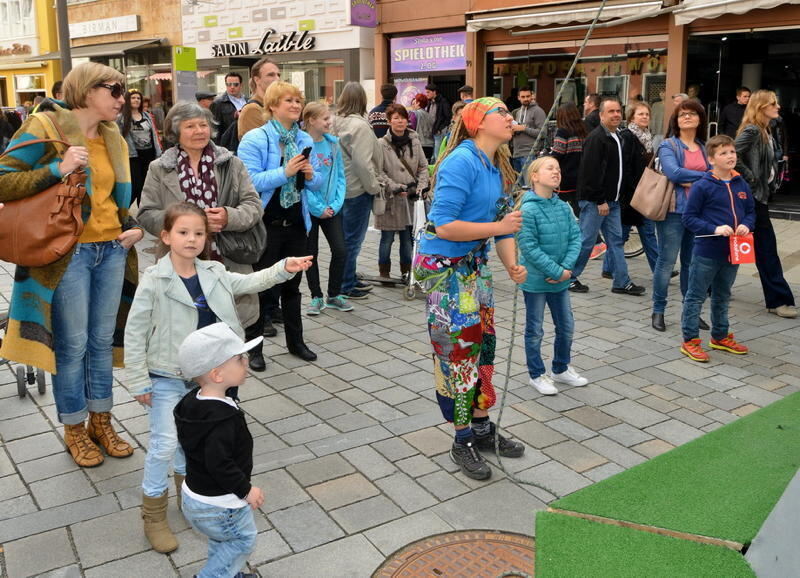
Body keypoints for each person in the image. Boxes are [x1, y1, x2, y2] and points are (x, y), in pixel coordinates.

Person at [125, 203, 311, 553]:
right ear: (166, 237)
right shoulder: (154, 279)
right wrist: (138, 379)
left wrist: (284, 268)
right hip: (166, 374)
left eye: (198, 233)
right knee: (164, 443)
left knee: (189, 439)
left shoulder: (213, 270)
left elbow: (252, 280)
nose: (191, 239)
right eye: (182, 232)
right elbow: (134, 331)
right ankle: (153, 515)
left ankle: (186, 496)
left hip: (207, 378)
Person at [0, 62, 143, 467]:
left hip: (112, 250)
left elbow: (112, 200)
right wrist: (55, 169)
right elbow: (2, 178)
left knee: (102, 341)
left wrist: (130, 225)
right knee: (73, 344)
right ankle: (74, 428)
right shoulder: (44, 127)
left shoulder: (113, 136)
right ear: (87, 90)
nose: (122, 100)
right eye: (115, 91)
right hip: (68, 255)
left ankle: (102, 420)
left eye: (123, 91)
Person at [415, 97, 527, 481]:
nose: (511, 118)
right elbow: (444, 225)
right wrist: (500, 230)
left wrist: (511, 262)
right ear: (479, 122)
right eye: (503, 113)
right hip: (447, 272)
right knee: (457, 354)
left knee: (484, 348)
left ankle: (480, 428)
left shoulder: (497, 165)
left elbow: (503, 222)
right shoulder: (461, 161)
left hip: (475, 271)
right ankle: (460, 438)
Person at [138, 101, 267, 371]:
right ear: (175, 132)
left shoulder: (230, 163)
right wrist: (184, 225)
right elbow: (147, 214)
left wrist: (228, 217)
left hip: (225, 261)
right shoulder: (159, 168)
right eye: (190, 126)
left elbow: (253, 206)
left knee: (228, 338)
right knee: (186, 336)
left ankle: (226, 397)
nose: (199, 131)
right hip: (181, 267)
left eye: (203, 124)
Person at [238, 81, 323, 361]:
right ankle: (254, 350)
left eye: (298, 100)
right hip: (266, 226)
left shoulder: (304, 139)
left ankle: (296, 343)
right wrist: (285, 172)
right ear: (273, 105)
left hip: (298, 224)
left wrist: (310, 176)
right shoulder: (255, 139)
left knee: (292, 287)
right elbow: (249, 182)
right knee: (261, 288)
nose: (296, 105)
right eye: (289, 100)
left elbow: (317, 182)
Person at [174, 324, 266, 578]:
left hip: (195, 496)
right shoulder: (221, 419)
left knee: (224, 539)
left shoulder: (191, 403)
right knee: (242, 541)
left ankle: (230, 573)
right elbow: (219, 464)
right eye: (239, 359)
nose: (246, 361)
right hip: (220, 503)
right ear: (217, 375)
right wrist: (247, 490)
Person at [680, 135, 755, 362]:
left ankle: (720, 336)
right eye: (723, 153)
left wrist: (745, 224)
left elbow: (751, 211)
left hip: (734, 251)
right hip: (707, 251)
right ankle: (690, 340)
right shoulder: (703, 186)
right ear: (711, 159)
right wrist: (714, 228)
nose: (730, 156)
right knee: (695, 296)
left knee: (723, 295)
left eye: (732, 152)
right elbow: (688, 218)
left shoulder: (741, 183)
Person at [518, 156, 587, 396]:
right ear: (535, 176)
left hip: (561, 279)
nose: (556, 172)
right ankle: (536, 374)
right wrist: (557, 271)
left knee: (566, 325)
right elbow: (529, 247)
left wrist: (566, 270)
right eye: (550, 168)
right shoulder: (528, 208)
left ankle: (561, 367)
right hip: (536, 281)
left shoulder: (563, 206)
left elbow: (575, 238)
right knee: (535, 329)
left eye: (558, 169)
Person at [569, 97, 646, 297]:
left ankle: (622, 281)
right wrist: (600, 200)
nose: (616, 115)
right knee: (586, 241)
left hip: (613, 202)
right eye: (611, 111)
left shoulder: (617, 137)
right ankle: (568, 277)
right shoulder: (597, 138)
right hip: (597, 202)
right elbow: (590, 172)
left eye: (618, 111)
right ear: (601, 115)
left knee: (616, 241)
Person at [735, 90, 797, 319]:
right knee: (766, 250)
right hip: (752, 198)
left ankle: (710, 286)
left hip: (759, 197)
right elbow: (732, 153)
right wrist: (751, 178)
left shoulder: (766, 130)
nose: (778, 107)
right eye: (773, 104)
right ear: (761, 107)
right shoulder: (752, 130)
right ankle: (778, 300)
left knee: (755, 248)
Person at [652, 99, 711, 332]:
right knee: (666, 263)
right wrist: (704, 175)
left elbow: (715, 174)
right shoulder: (669, 145)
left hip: (699, 213)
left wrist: (693, 177)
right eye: (682, 114)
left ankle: (691, 312)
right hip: (674, 212)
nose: (687, 117)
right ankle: (658, 310)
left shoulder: (705, 147)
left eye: (692, 114)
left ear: (699, 119)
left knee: (691, 264)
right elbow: (673, 172)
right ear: (676, 121)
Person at [330, 81, 383, 299]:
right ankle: (346, 284)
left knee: (342, 240)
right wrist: (373, 187)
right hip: (356, 189)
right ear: (362, 100)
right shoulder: (359, 126)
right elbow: (362, 162)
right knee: (353, 240)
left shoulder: (333, 122)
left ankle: (347, 277)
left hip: (337, 188)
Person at [302, 101, 351, 316]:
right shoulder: (302, 144)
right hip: (310, 210)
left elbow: (340, 176)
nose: (329, 122)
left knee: (340, 250)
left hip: (332, 209)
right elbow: (301, 183)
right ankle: (316, 296)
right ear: (311, 120)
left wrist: (334, 205)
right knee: (310, 254)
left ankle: (334, 294)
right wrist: (318, 207)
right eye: (325, 119)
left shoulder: (333, 144)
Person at [603, 101, 659, 275]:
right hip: (630, 194)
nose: (644, 117)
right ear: (632, 117)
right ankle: (608, 267)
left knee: (648, 232)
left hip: (644, 192)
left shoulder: (648, 137)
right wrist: (632, 189)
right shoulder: (627, 136)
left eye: (647, 114)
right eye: (640, 114)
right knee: (623, 235)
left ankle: (659, 269)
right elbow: (624, 166)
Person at [376, 103, 429, 281]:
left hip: (411, 199)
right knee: (387, 239)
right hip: (391, 199)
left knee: (408, 240)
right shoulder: (381, 144)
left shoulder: (415, 140)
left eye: (403, 117)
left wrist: (419, 188)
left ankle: (407, 272)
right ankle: (384, 272)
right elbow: (378, 171)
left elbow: (423, 167)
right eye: (396, 118)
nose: (400, 121)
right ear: (389, 121)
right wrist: (395, 186)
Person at [118, 89, 162, 207]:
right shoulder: (121, 118)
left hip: (149, 155)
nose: (136, 100)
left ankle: (143, 212)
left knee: (146, 186)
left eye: (138, 98)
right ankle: (123, 212)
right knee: (135, 186)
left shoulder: (147, 115)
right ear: (127, 100)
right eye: (133, 98)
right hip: (133, 156)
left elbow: (153, 134)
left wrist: (158, 152)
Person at [550, 102, 586, 215]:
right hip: (581, 178)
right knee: (579, 212)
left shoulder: (562, 132)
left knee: (557, 210)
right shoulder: (584, 131)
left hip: (564, 178)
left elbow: (557, 155)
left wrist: (547, 157)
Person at [237, 57, 280, 139]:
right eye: (271, 75)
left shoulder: (273, 106)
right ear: (257, 80)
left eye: (278, 75)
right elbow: (261, 146)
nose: (277, 79)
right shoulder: (252, 109)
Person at [510, 88, 547, 175]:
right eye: (523, 97)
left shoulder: (538, 111)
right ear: (518, 98)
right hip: (516, 154)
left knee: (529, 185)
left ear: (532, 96)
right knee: (519, 187)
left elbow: (543, 134)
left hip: (530, 154)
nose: (526, 99)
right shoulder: (518, 112)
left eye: (528, 96)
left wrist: (524, 128)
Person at [211, 72, 247, 145]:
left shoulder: (248, 100)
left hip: (248, 140)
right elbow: (215, 129)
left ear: (241, 85)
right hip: (229, 144)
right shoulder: (218, 103)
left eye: (235, 84)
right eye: (229, 84)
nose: (232, 87)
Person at [425, 83, 451, 162]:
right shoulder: (430, 102)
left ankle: (437, 170)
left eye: (428, 92)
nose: (427, 94)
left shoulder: (443, 102)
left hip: (439, 131)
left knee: (437, 154)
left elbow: (448, 116)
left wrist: (440, 128)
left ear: (434, 92)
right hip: (431, 131)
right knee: (432, 154)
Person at [410, 93, 434, 160]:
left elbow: (412, 128)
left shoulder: (414, 113)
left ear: (418, 103)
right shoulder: (429, 115)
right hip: (430, 145)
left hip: (419, 144)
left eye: (415, 102)